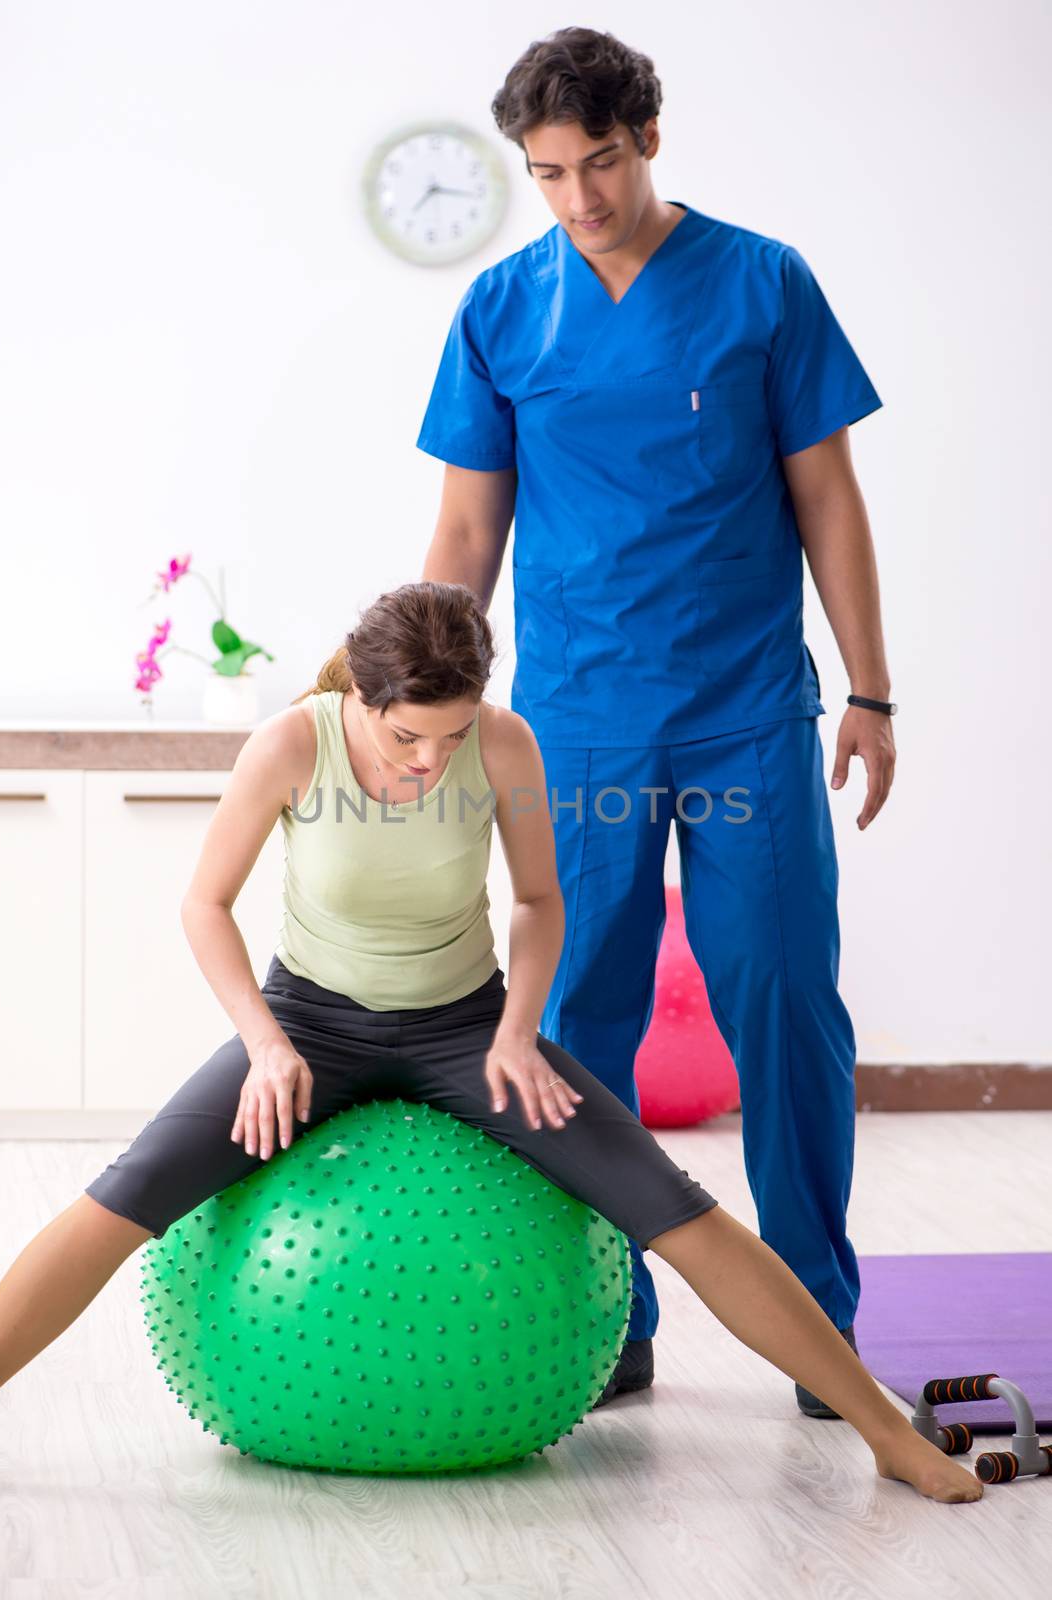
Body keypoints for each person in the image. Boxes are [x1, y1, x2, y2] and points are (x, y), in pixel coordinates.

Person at [0, 583, 975, 1503]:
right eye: (412, 735)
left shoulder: (501, 745)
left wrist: (515, 1031)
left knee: (677, 1209)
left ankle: (881, 1429)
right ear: (364, 700)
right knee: (126, 1195)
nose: (433, 760)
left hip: (466, 1026)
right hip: (310, 1023)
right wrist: (266, 1042)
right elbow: (204, 906)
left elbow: (540, 905)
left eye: (452, 733)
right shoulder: (291, 746)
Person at [418, 25, 897, 1414]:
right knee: (575, 1022)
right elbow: (464, 525)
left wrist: (869, 689)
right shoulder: (504, 308)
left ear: (652, 139)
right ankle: (603, 1322)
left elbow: (829, 498)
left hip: (749, 710)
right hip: (575, 722)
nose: (580, 199)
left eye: (603, 164)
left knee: (785, 1005)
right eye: (549, 173)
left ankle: (817, 1329)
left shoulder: (763, 284)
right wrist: (427, 715)